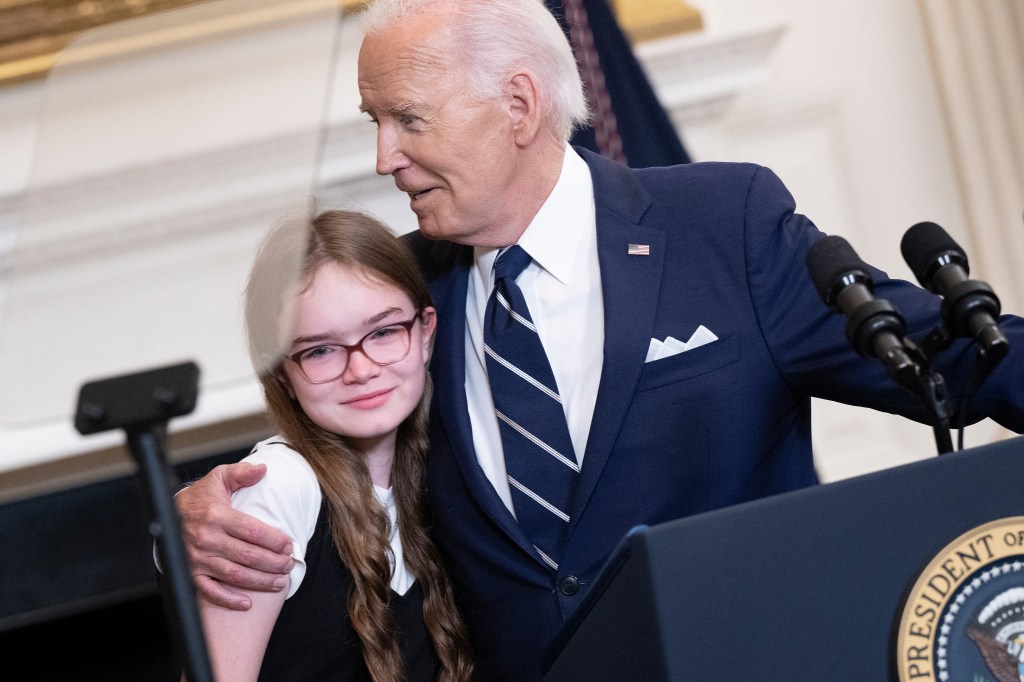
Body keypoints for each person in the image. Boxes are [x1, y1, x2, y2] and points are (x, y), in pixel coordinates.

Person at [177, 1, 1024, 679]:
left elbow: (956, 358)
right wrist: (194, 518)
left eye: (406, 119)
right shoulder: (400, 292)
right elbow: (328, 455)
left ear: (517, 104)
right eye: (374, 120)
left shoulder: (721, 226)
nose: (382, 155)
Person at [195, 209, 472, 681]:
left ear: (426, 331)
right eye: (320, 350)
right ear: (282, 373)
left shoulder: (440, 469)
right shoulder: (279, 488)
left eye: (384, 332)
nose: (361, 369)